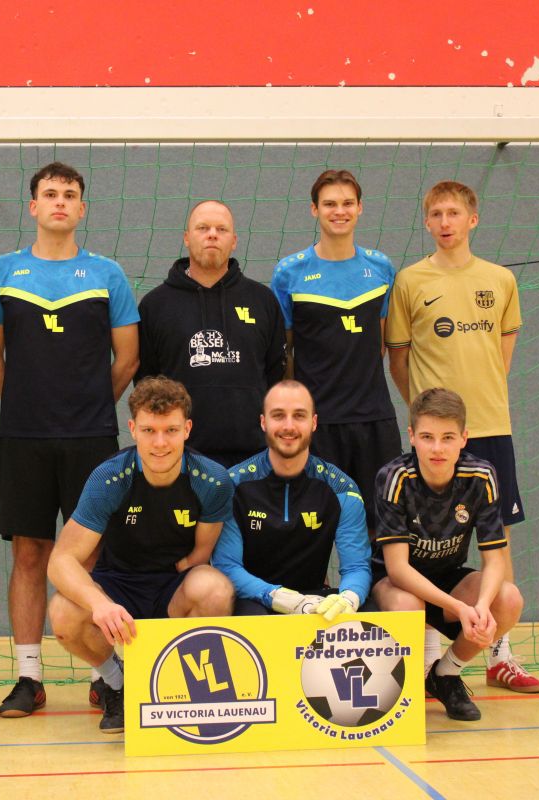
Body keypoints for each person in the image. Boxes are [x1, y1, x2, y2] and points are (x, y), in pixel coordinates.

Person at [0, 162, 140, 717]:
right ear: (33, 206)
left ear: (81, 208)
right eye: (49, 194)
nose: (59, 202)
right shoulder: (2, 272)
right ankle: (29, 677)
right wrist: (26, 405)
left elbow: (128, 358)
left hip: (91, 436)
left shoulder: (107, 274)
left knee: (91, 556)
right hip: (23, 436)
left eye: (69, 195)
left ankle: (106, 675)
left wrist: (91, 406)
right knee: (29, 553)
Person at [384, 180, 539, 693]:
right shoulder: (410, 281)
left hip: (490, 426)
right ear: (426, 222)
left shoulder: (500, 280)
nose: (445, 222)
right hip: (438, 433)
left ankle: (500, 652)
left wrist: (481, 402)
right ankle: (432, 646)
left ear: (473, 219)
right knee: (424, 534)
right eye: (436, 214)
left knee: (499, 538)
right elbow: (399, 360)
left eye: (453, 213)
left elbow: (502, 355)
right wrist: (430, 417)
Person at [47, 376, 236, 734]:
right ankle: (118, 684)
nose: (160, 443)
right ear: (133, 429)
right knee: (63, 612)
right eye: (149, 430)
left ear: (187, 429)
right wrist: (100, 604)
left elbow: (201, 553)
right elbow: (60, 561)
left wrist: (176, 572)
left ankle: (177, 684)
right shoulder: (108, 479)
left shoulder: (212, 480)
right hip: (117, 585)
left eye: (171, 430)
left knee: (215, 589)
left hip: (173, 585)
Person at [372, 388, 526, 721]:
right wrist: (458, 608)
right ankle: (402, 683)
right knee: (407, 605)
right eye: (427, 437)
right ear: (412, 436)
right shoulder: (395, 477)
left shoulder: (481, 475)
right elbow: (397, 568)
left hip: (447, 577)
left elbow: (495, 559)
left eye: (447, 438)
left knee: (508, 599)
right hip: (396, 583)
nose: (437, 448)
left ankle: (445, 674)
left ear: (463, 438)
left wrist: (481, 607)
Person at [270, 170, 400, 527]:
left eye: (347, 203)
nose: (339, 211)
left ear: (360, 208)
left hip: (374, 419)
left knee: (381, 529)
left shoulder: (381, 267)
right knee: (314, 528)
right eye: (329, 204)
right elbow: (286, 354)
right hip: (319, 423)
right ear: (314, 209)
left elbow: (379, 343)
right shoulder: (289, 273)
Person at [136, 200, 286, 467]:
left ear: (234, 241)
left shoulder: (262, 301)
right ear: (186, 238)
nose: (212, 235)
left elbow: (276, 377)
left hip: (253, 457)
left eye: (221, 229)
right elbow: (147, 383)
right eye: (203, 228)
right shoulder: (155, 305)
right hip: (179, 458)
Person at [213, 380, 372, 618]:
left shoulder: (341, 488)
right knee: (253, 617)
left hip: (315, 600)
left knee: (370, 610)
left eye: (299, 415)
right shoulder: (232, 485)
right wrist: (280, 598)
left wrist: (349, 597)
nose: (289, 426)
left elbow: (356, 566)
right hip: (253, 599)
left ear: (314, 422)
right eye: (278, 415)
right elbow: (227, 566)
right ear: (263, 422)